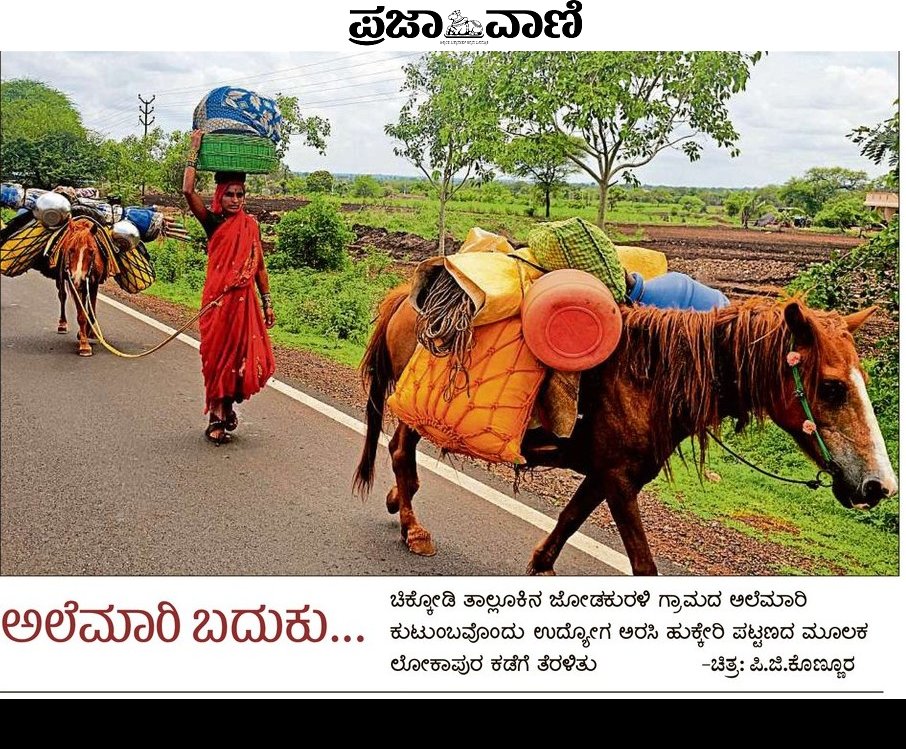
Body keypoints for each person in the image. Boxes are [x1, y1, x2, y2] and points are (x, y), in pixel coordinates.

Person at [182, 129, 276, 444]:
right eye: (229, 194)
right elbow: (187, 191)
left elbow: (259, 266)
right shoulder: (213, 222)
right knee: (216, 358)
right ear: (219, 195)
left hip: (244, 304)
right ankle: (216, 417)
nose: (235, 200)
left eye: (240, 195)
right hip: (218, 304)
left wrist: (267, 301)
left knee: (240, 359)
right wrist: (193, 151)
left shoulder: (251, 226)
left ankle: (226, 408)